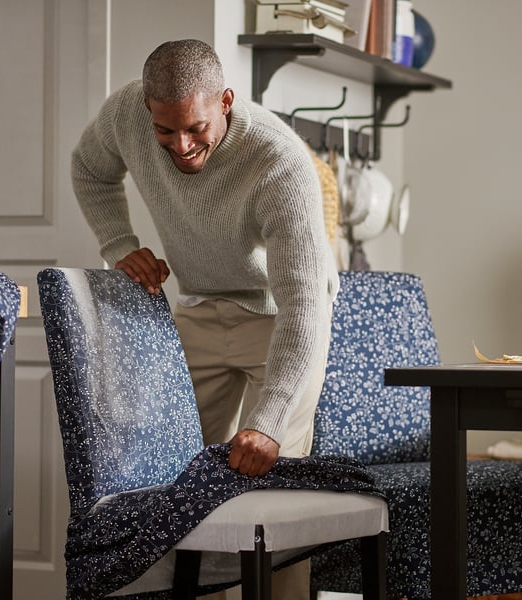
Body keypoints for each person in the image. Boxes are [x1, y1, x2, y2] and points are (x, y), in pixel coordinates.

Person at [71, 38, 338, 600]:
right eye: (165, 131)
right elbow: (89, 169)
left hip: (279, 321)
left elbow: (303, 308)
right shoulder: (126, 114)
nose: (181, 146)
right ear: (147, 109)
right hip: (197, 308)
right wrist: (119, 243)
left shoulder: (279, 161)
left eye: (196, 128)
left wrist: (266, 424)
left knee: (275, 489)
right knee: (176, 478)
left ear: (226, 101)